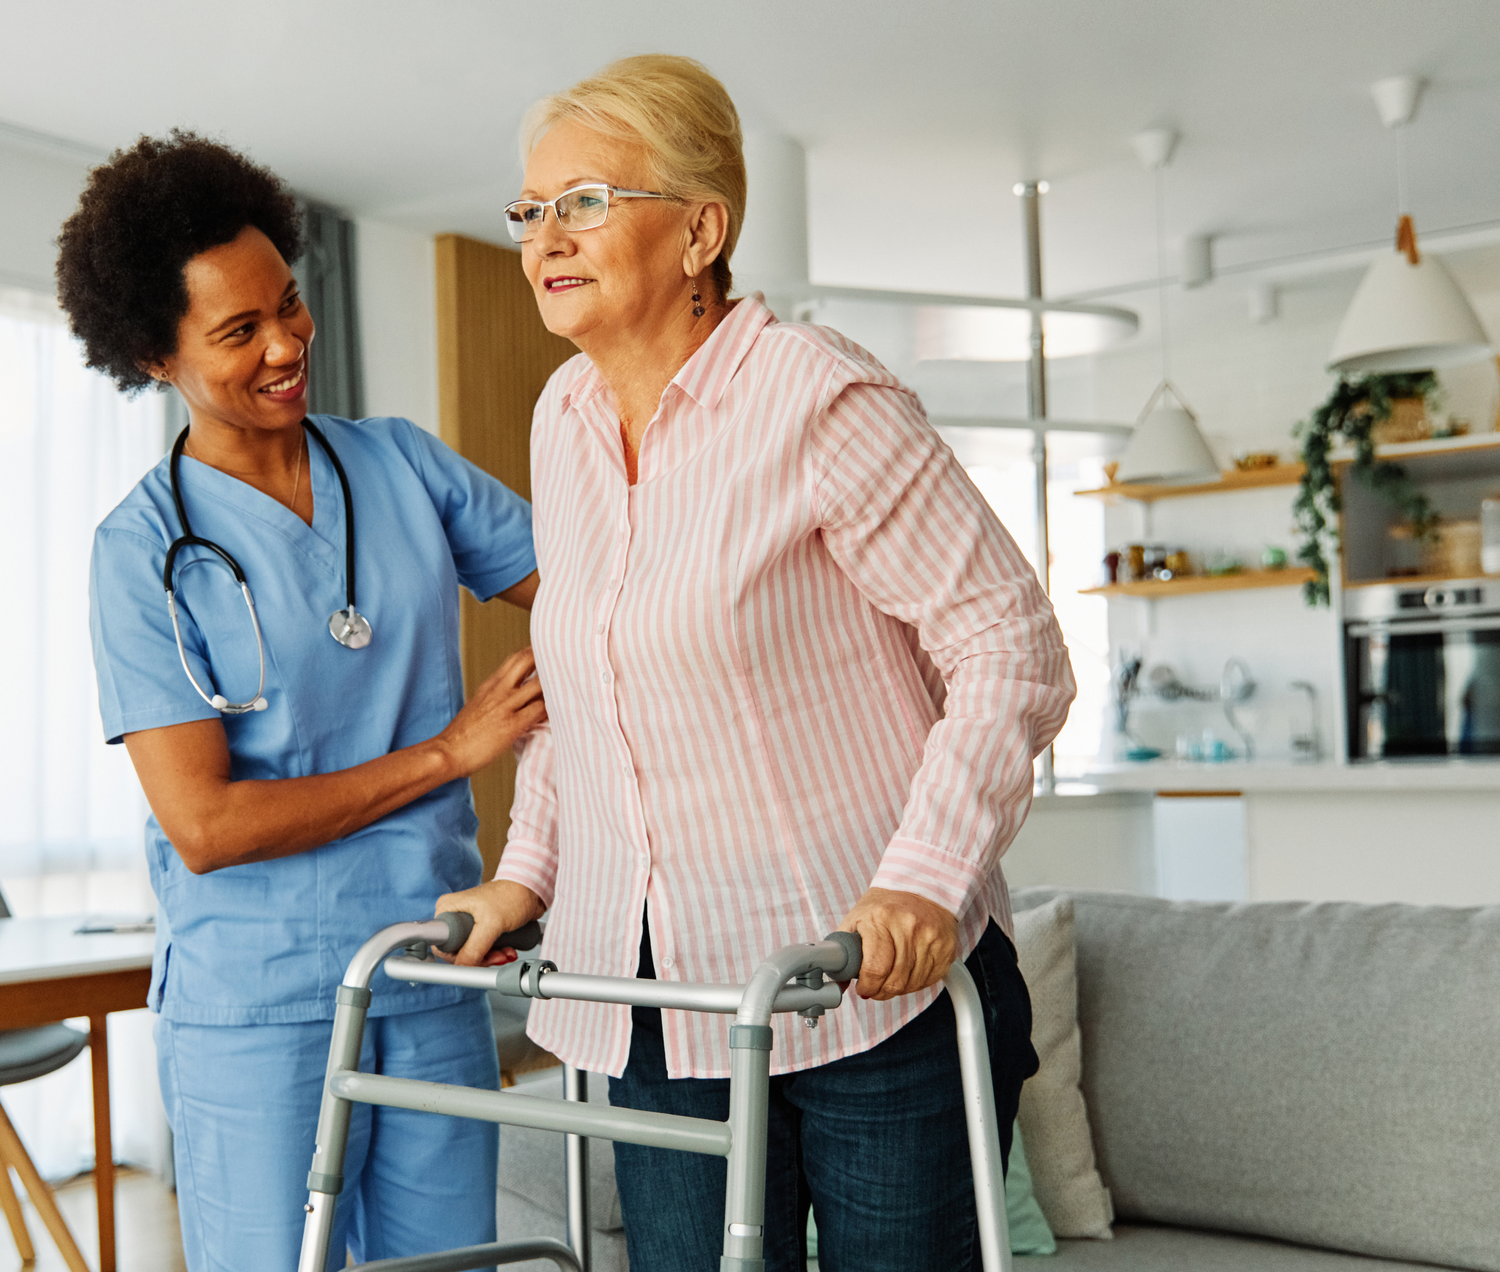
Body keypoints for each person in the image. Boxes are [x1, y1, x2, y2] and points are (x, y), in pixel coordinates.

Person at [438, 56, 1075, 1271]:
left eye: (586, 202)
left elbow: (1011, 645)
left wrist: (925, 882)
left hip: (864, 990)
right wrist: (523, 881)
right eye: (530, 210)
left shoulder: (818, 398)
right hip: (660, 1009)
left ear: (700, 229)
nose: (543, 238)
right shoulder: (563, 420)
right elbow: (591, 695)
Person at [57, 131, 543, 1272]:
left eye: (290, 304)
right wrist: (450, 752)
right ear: (152, 354)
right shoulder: (141, 552)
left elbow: (591, 600)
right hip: (256, 1010)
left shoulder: (402, 466)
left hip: (427, 973)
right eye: (239, 331)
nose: (286, 344)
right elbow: (207, 825)